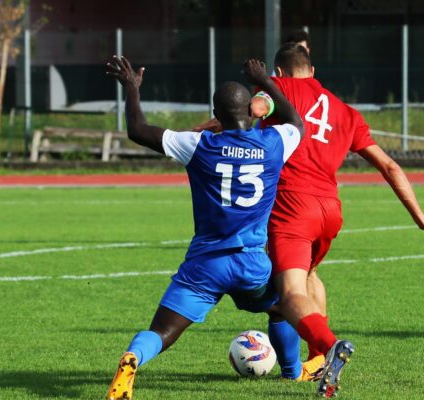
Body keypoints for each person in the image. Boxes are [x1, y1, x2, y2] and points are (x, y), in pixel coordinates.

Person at [250, 43, 424, 398]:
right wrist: (420, 216)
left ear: (280, 72)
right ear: (313, 71)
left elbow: (246, 111)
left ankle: (329, 347)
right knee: (310, 274)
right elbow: (389, 165)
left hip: (292, 206)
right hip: (330, 210)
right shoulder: (346, 111)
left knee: (289, 293)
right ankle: (316, 361)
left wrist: (201, 133)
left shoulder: (276, 87)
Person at [104, 55, 304, 400]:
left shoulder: (198, 145)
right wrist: (266, 82)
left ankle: (133, 357)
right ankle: (293, 374)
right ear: (250, 109)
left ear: (217, 114)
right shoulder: (273, 144)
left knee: (163, 331)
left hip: (206, 264)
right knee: (282, 307)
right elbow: (295, 122)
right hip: (251, 263)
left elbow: (137, 130)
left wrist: (132, 89)